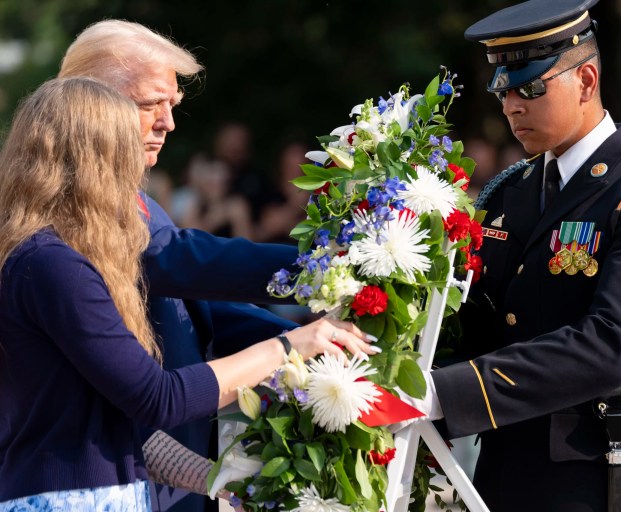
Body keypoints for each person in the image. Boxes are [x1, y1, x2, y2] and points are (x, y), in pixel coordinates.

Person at [0, 77, 376, 509]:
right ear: (93, 161)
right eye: (124, 154)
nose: (136, 178)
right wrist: (291, 344)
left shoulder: (46, 256)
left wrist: (226, 479)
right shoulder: (51, 262)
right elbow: (158, 398)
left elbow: (120, 428)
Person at [400, 1, 621, 511]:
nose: (511, 105)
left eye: (531, 88)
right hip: (506, 458)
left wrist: (444, 395)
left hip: (602, 464)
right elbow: (479, 323)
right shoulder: (508, 193)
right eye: (503, 90)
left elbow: (613, 344)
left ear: (586, 80)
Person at [57, 20, 303, 512]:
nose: (169, 123)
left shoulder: (125, 193)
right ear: (95, 99)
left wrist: (311, 347)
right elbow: (177, 260)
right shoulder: (69, 202)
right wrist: (323, 266)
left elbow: (197, 310)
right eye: (153, 104)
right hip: (117, 480)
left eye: (172, 105)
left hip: (168, 477)